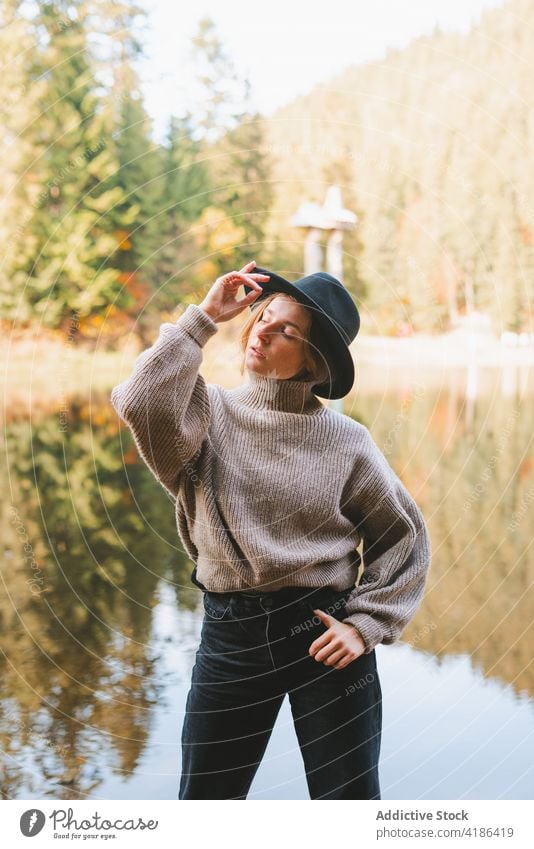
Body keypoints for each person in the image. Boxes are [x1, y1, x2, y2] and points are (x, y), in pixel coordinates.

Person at [110, 260, 432, 800]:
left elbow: (405, 539)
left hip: (324, 634)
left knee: (348, 809)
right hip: (231, 634)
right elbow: (138, 401)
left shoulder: (347, 442)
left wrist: (365, 624)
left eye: (288, 332)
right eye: (265, 316)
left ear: (314, 363)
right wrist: (204, 318)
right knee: (206, 807)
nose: (262, 330)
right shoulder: (205, 413)